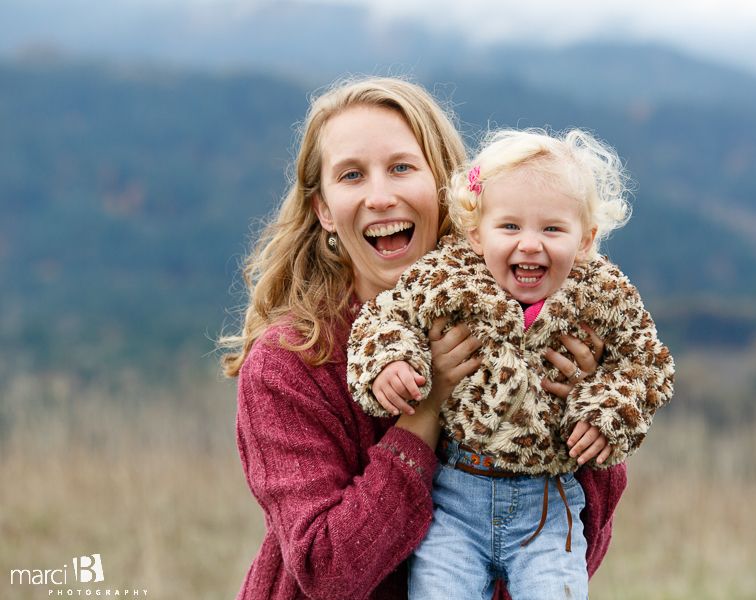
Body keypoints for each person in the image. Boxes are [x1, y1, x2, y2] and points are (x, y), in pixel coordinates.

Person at [219, 77, 628, 600]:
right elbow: (327, 572)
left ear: (449, 188)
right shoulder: (289, 364)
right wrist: (424, 413)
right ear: (324, 210)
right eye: (351, 175)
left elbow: (575, 554)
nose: (380, 196)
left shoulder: (531, 328)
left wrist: (586, 423)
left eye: (401, 168)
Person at [347, 128, 675, 600]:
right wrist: (391, 360)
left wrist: (607, 410)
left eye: (553, 229)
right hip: (455, 495)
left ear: (585, 239)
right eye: (510, 227)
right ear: (476, 234)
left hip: (549, 501)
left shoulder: (603, 295)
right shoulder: (450, 276)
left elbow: (646, 364)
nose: (529, 245)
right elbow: (386, 316)